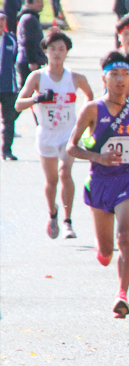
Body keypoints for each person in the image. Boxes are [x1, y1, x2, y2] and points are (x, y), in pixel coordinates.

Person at [66, 51, 129, 317]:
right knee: (105, 251)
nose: (120, 80)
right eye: (114, 74)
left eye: (125, 74)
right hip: (99, 182)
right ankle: (104, 254)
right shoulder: (92, 109)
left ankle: (121, 294)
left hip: (126, 182)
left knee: (125, 236)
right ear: (104, 78)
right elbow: (71, 147)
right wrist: (97, 156)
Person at [15, 30, 94, 239]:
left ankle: (68, 221)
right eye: (52, 49)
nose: (57, 53)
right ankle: (53, 213)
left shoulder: (75, 77)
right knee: (51, 180)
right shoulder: (37, 77)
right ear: (45, 52)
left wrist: (83, 123)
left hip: (68, 134)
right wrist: (36, 99)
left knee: (65, 172)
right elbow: (18, 104)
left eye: (61, 49)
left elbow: (90, 97)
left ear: (67, 52)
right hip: (46, 134)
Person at [15, 0, 46, 87]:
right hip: (27, 61)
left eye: (41, 1)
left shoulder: (32, 17)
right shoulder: (29, 18)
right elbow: (28, 41)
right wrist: (32, 61)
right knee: (28, 89)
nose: (41, 4)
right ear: (28, 3)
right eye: (37, 1)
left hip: (29, 59)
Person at [1, 12, 18, 160]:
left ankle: (7, 150)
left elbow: (15, 59)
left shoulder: (11, 39)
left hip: (8, 86)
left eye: (2, 20)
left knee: (9, 119)